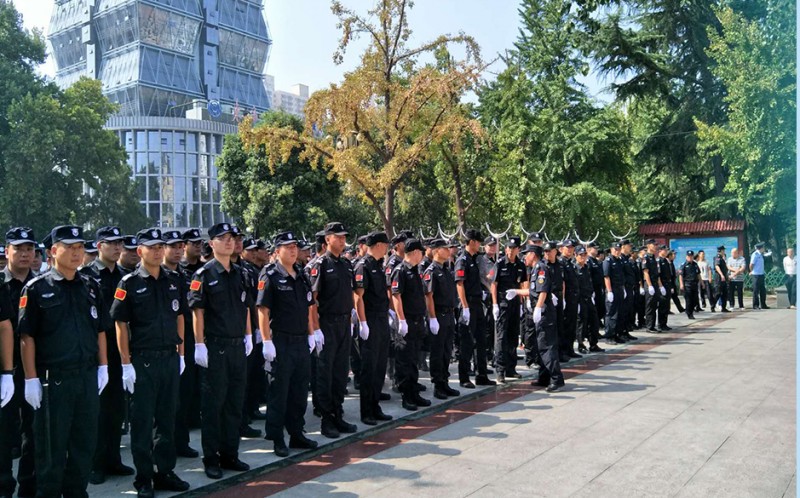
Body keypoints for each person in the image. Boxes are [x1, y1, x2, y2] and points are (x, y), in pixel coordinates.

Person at [18, 225, 110, 498]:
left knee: (84, 444)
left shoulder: (91, 286)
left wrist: (103, 366)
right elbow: (27, 336)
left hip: (85, 376)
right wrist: (31, 378)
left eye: (80, 247)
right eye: (69, 247)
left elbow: (101, 329)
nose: (76, 253)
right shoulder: (36, 289)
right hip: (53, 380)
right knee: (51, 449)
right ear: (52, 251)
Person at [110, 229, 190, 497]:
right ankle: (144, 477)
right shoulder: (129, 283)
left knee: (166, 419)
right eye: (151, 247)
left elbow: (180, 314)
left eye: (160, 246)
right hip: (142, 361)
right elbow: (120, 324)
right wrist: (125, 363)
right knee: (142, 422)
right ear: (140, 251)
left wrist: (180, 354)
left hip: (169, 357)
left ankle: (164, 471)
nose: (157, 251)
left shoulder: (174, 280)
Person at [188, 222, 254, 480]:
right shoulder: (203, 275)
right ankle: (211, 457)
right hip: (215, 348)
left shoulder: (241, 273)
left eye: (232, 238)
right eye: (223, 238)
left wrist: (249, 335)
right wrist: (200, 344)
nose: (229, 242)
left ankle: (230, 453)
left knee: (234, 404)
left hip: (238, 346)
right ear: (212, 243)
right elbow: (197, 312)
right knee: (213, 406)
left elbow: (246, 306)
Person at [256, 231, 319, 457]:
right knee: (279, 393)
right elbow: (263, 310)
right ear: (277, 251)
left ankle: (296, 433)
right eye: (288, 246)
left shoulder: (301, 274)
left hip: (301, 340)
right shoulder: (269, 275)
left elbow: (308, 307)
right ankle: (276, 437)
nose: (293, 250)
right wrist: (266, 341)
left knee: (299, 391)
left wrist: (312, 333)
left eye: (295, 246)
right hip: (280, 341)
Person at [80, 226, 135, 485]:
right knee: (97, 411)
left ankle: (113, 457)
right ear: (99, 245)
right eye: (111, 243)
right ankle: (95, 462)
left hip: (120, 351)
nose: (117, 247)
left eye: (119, 243)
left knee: (116, 409)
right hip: (96, 353)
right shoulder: (86, 275)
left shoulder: (125, 275)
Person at [308, 222, 358, 438]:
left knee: (340, 373)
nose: (341, 240)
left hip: (344, 324)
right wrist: (315, 329)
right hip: (326, 324)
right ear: (327, 239)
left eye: (343, 236)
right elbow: (312, 300)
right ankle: (326, 419)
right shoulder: (320, 264)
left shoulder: (346, 265)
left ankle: (338, 414)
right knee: (325, 374)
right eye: (337, 236)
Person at [0, 228, 37, 498]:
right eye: (18, 249)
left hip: (35, 369)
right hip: (5, 369)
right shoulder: (1, 284)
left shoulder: (45, 284)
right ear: (7, 250)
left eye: (29, 249)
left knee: (34, 431)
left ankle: (29, 486)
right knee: (3, 432)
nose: (24, 254)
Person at [160, 230, 200, 459]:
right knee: (167, 400)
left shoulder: (185, 276)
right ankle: (166, 445)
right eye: (172, 246)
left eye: (179, 246)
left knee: (184, 394)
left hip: (188, 341)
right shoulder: (158, 275)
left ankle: (181, 441)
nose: (177, 250)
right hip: (165, 343)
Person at [353, 232, 394, 426]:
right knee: (369, 368)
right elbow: (358, 296)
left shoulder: (378, 265)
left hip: (381, 320)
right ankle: (366, 411)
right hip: (369, 321)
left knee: (379, 367)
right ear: (378, 245)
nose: (387, 248)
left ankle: (375, 405)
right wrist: (362, 322)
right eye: (385, 244)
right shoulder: (364, 265)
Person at [514, 243, 564, 392]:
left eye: (526, 254)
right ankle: (544, 377)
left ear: (533, 255)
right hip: (541, 310)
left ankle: (556, 379)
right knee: (540, 345)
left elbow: (542, 291)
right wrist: (516, 291)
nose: (524, 257)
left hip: (544, 312)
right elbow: (533, 291)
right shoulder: (535, 269)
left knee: (547, 346)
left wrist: (538, 308)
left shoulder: (541, 268)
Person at [390, 238, 432, 411]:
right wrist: (400, 319)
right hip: (405, 322)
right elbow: (396, 295)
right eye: (421, 252)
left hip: (416, 321)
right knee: (404, 361)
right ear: (415, 252)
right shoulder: (400, 270)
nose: (422, 255)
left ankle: (414, 392)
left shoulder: (416, 270)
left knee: (414, 359)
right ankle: (406, 396)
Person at [454, 229, 495, 389]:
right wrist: (464, 307)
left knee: (481, 340)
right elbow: (459, 284)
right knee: (467, 342)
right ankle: (464, 377)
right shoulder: (462, 260)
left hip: (478, 303)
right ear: (471, 242)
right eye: (478, 242)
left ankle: (481, 375)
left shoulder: (474, 259)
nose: (479, 245)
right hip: (468, 304)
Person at [423, 239, 461, 399]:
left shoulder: (446, 270)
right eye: (445, 248)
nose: (449, 251)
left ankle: (444, 382)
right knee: (437, 353)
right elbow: (429, 296)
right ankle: (438, 385)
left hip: (449, 314)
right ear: (437, 250)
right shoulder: (431, 271)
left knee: (447, 351)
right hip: (438, 315)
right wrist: (432, 318)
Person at [489, 236, 526, 383]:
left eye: (514, 248)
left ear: (518, 250)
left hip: (515, 304)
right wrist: (495, 304)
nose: (511, 251)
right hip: (503, 305)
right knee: (501, 337)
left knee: (512, 336)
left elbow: (523, 284)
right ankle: (500, 370)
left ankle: (511, 368)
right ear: (506, 249)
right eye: (509, 248)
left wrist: (524, 303)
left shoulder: (520, 265)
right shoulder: (499, 264)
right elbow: (494, 284)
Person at [575, 246, 603, 353]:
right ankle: (581, 344)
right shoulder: (575, 268)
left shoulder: (586, 267)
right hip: (580, 299)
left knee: (594, 321)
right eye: (580, 255)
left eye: (584, 255)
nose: (583, 257)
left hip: (589, 297)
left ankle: (593, 344)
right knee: (581, 323)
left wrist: (592, 293)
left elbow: (589, 282)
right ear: (576, 256)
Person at [603, 242, 626, 344]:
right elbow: (606, 277)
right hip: (612, 289)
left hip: (619, 288)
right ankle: (609, 336)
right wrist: (609, 291)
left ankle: (617, 334)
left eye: (618, 249)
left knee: (619, 313)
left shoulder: (619, 261)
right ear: (611, 250)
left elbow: (622, 276)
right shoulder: (608, 261)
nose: (617, 251)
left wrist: (623, 288)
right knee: (611, 314)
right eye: (615, 249)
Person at [641, 239, 663, 333]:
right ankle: (649, 326)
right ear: (649, 246)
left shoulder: (654, 257)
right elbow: (646, 273)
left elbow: (657, 274)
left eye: (656, 245)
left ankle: (653, 325)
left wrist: (660, 286)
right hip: (649, 284)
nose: (656, 246)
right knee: (650, 306)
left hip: (655, 283)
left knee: (654, 306)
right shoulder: (646, 258)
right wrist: (650, 286)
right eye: (654, 245)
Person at [678, 250, 701, 319]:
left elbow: (698, 274)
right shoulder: (684, 265)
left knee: (695, 300)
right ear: (686, 256)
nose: (690, 257)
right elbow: (680, 275)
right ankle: (689, 313)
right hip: (687, 285)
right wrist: (681, 284)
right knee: (688, 300)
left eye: (691, 256)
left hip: (694, 284)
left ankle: (690, 310)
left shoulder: (695, 264)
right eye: (688, 256)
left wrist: (702, 282)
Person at [657, 245, 673, 330]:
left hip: (667, 284)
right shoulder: (658, 261)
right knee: (662, 306)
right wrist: (661, 286)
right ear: (660, 251)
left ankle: (664, 323)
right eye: (665, 250)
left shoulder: (666, 261)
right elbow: (658, 275)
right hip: (662, 285)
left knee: (666, 305)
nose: (666, 252)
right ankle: (660, 324)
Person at [750, 242, 768, 309]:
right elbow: (751, 264)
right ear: (761, 248)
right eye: (763, 247)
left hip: (761, 274)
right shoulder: (755, 254)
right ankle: (755, 305)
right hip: (756, 275)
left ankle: (763, 304)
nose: (764, 249)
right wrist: (751, 271)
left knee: (763, 290)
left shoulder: (761, 254)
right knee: (756, 291)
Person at [712, 246, 731, 313]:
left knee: (724, 293)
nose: (724, 252)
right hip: (719, 278)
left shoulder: (722, 258)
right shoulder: (717, 257)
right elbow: (717, 266)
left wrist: (726, 276)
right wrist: (722, 275)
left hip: (723, 278)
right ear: (721, 251)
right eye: (723, 250)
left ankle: (723, 307)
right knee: (718, 293)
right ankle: (712, 306)